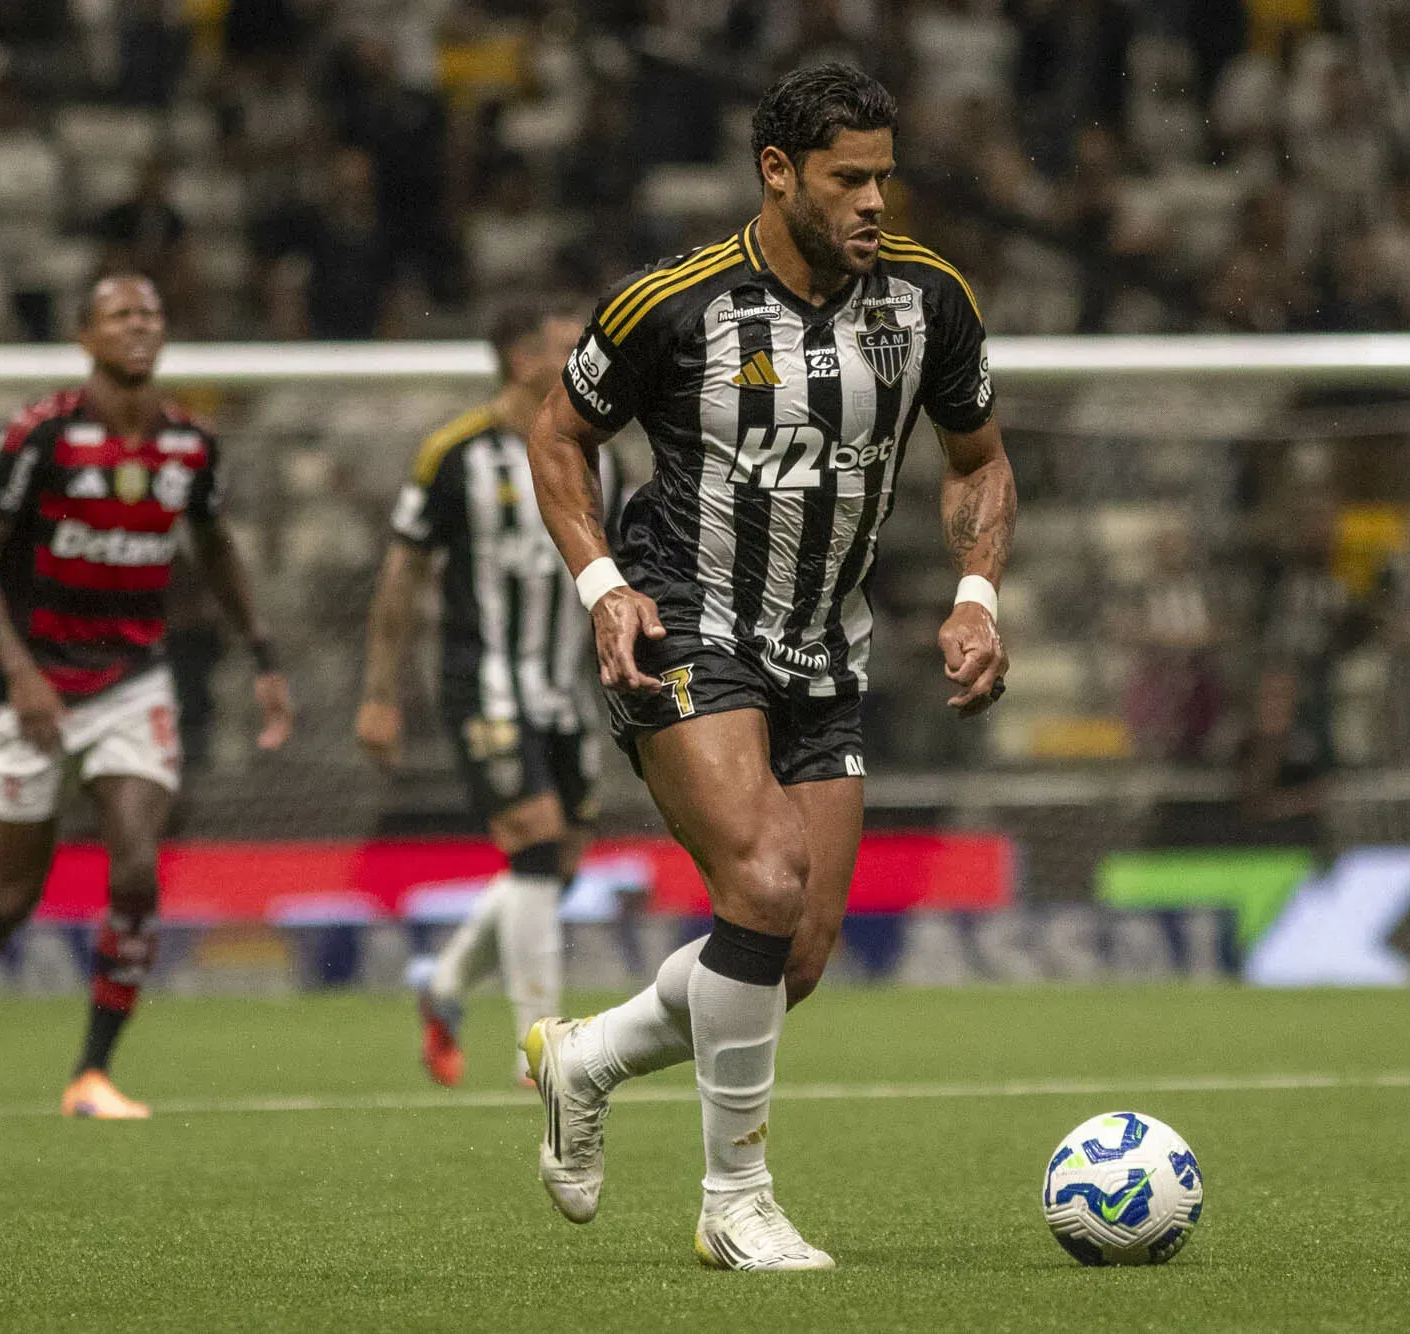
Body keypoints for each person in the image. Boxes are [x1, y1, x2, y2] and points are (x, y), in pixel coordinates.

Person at [522, 64, 1014, 1271]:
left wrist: (974, 593)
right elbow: (557, 434)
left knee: (790, 954)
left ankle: (583, 1056)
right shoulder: (671, 305)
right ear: (777, 173)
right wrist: (603, 586)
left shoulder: (927, 301)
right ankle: (732, 1199)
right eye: (847, 179)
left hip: (824, 644)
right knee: (763, 873)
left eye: (883, 175)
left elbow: (978, 459)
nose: (872, 201)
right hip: (684, 619)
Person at [0, 273, 293, 1120]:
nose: (140, 326)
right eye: (120, 315)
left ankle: (90, 1075)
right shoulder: (41, 433)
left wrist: (262, 653)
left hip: (132, 679)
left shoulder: (190, 444)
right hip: (34, 681)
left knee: (134, 870)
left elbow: (217, 545)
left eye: (152, 313)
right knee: (12, 897)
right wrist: (18, 671)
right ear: (84, 337)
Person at [356, 297, 619, 1088]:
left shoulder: (600, 453)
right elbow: (401, 575)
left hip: (565, 685)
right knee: (536, 844)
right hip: (485, 684)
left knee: (559, 861)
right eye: (566, 348)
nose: (583, 361)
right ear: (520, 359)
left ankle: (442, 986)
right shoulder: (454, 454)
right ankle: (539, 1051)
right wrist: (379, 693)